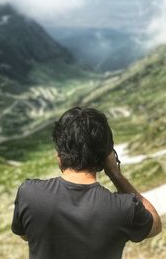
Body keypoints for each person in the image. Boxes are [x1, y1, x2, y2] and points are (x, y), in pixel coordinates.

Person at [11, 106, 162, 259]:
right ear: (105, 155)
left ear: (59, 153)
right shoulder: (123, 208)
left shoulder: (29, 193)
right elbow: (155, 225)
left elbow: (26, 235)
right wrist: (115, 173)